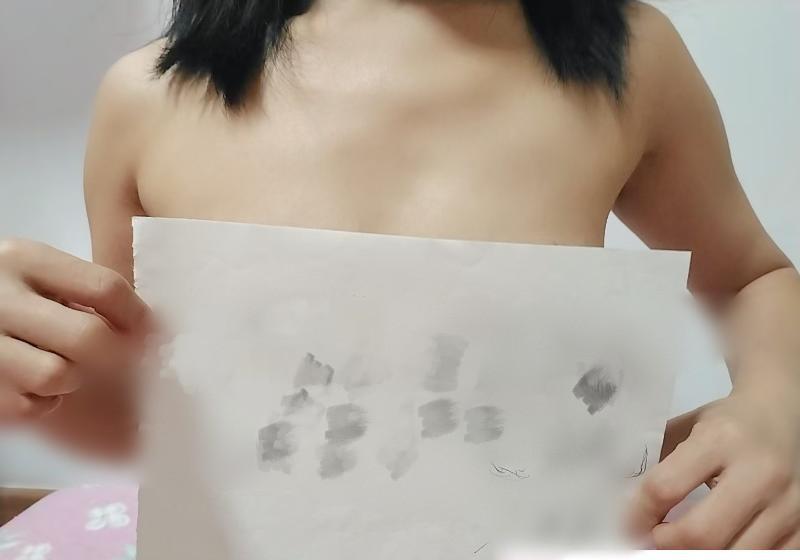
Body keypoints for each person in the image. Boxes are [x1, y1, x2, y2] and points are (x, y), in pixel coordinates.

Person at [0, 0, 798, 550]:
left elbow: (751, 275)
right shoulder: (148, 100)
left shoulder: (631, 60)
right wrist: (27, 373)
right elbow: (134, 405)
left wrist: (778, 401)